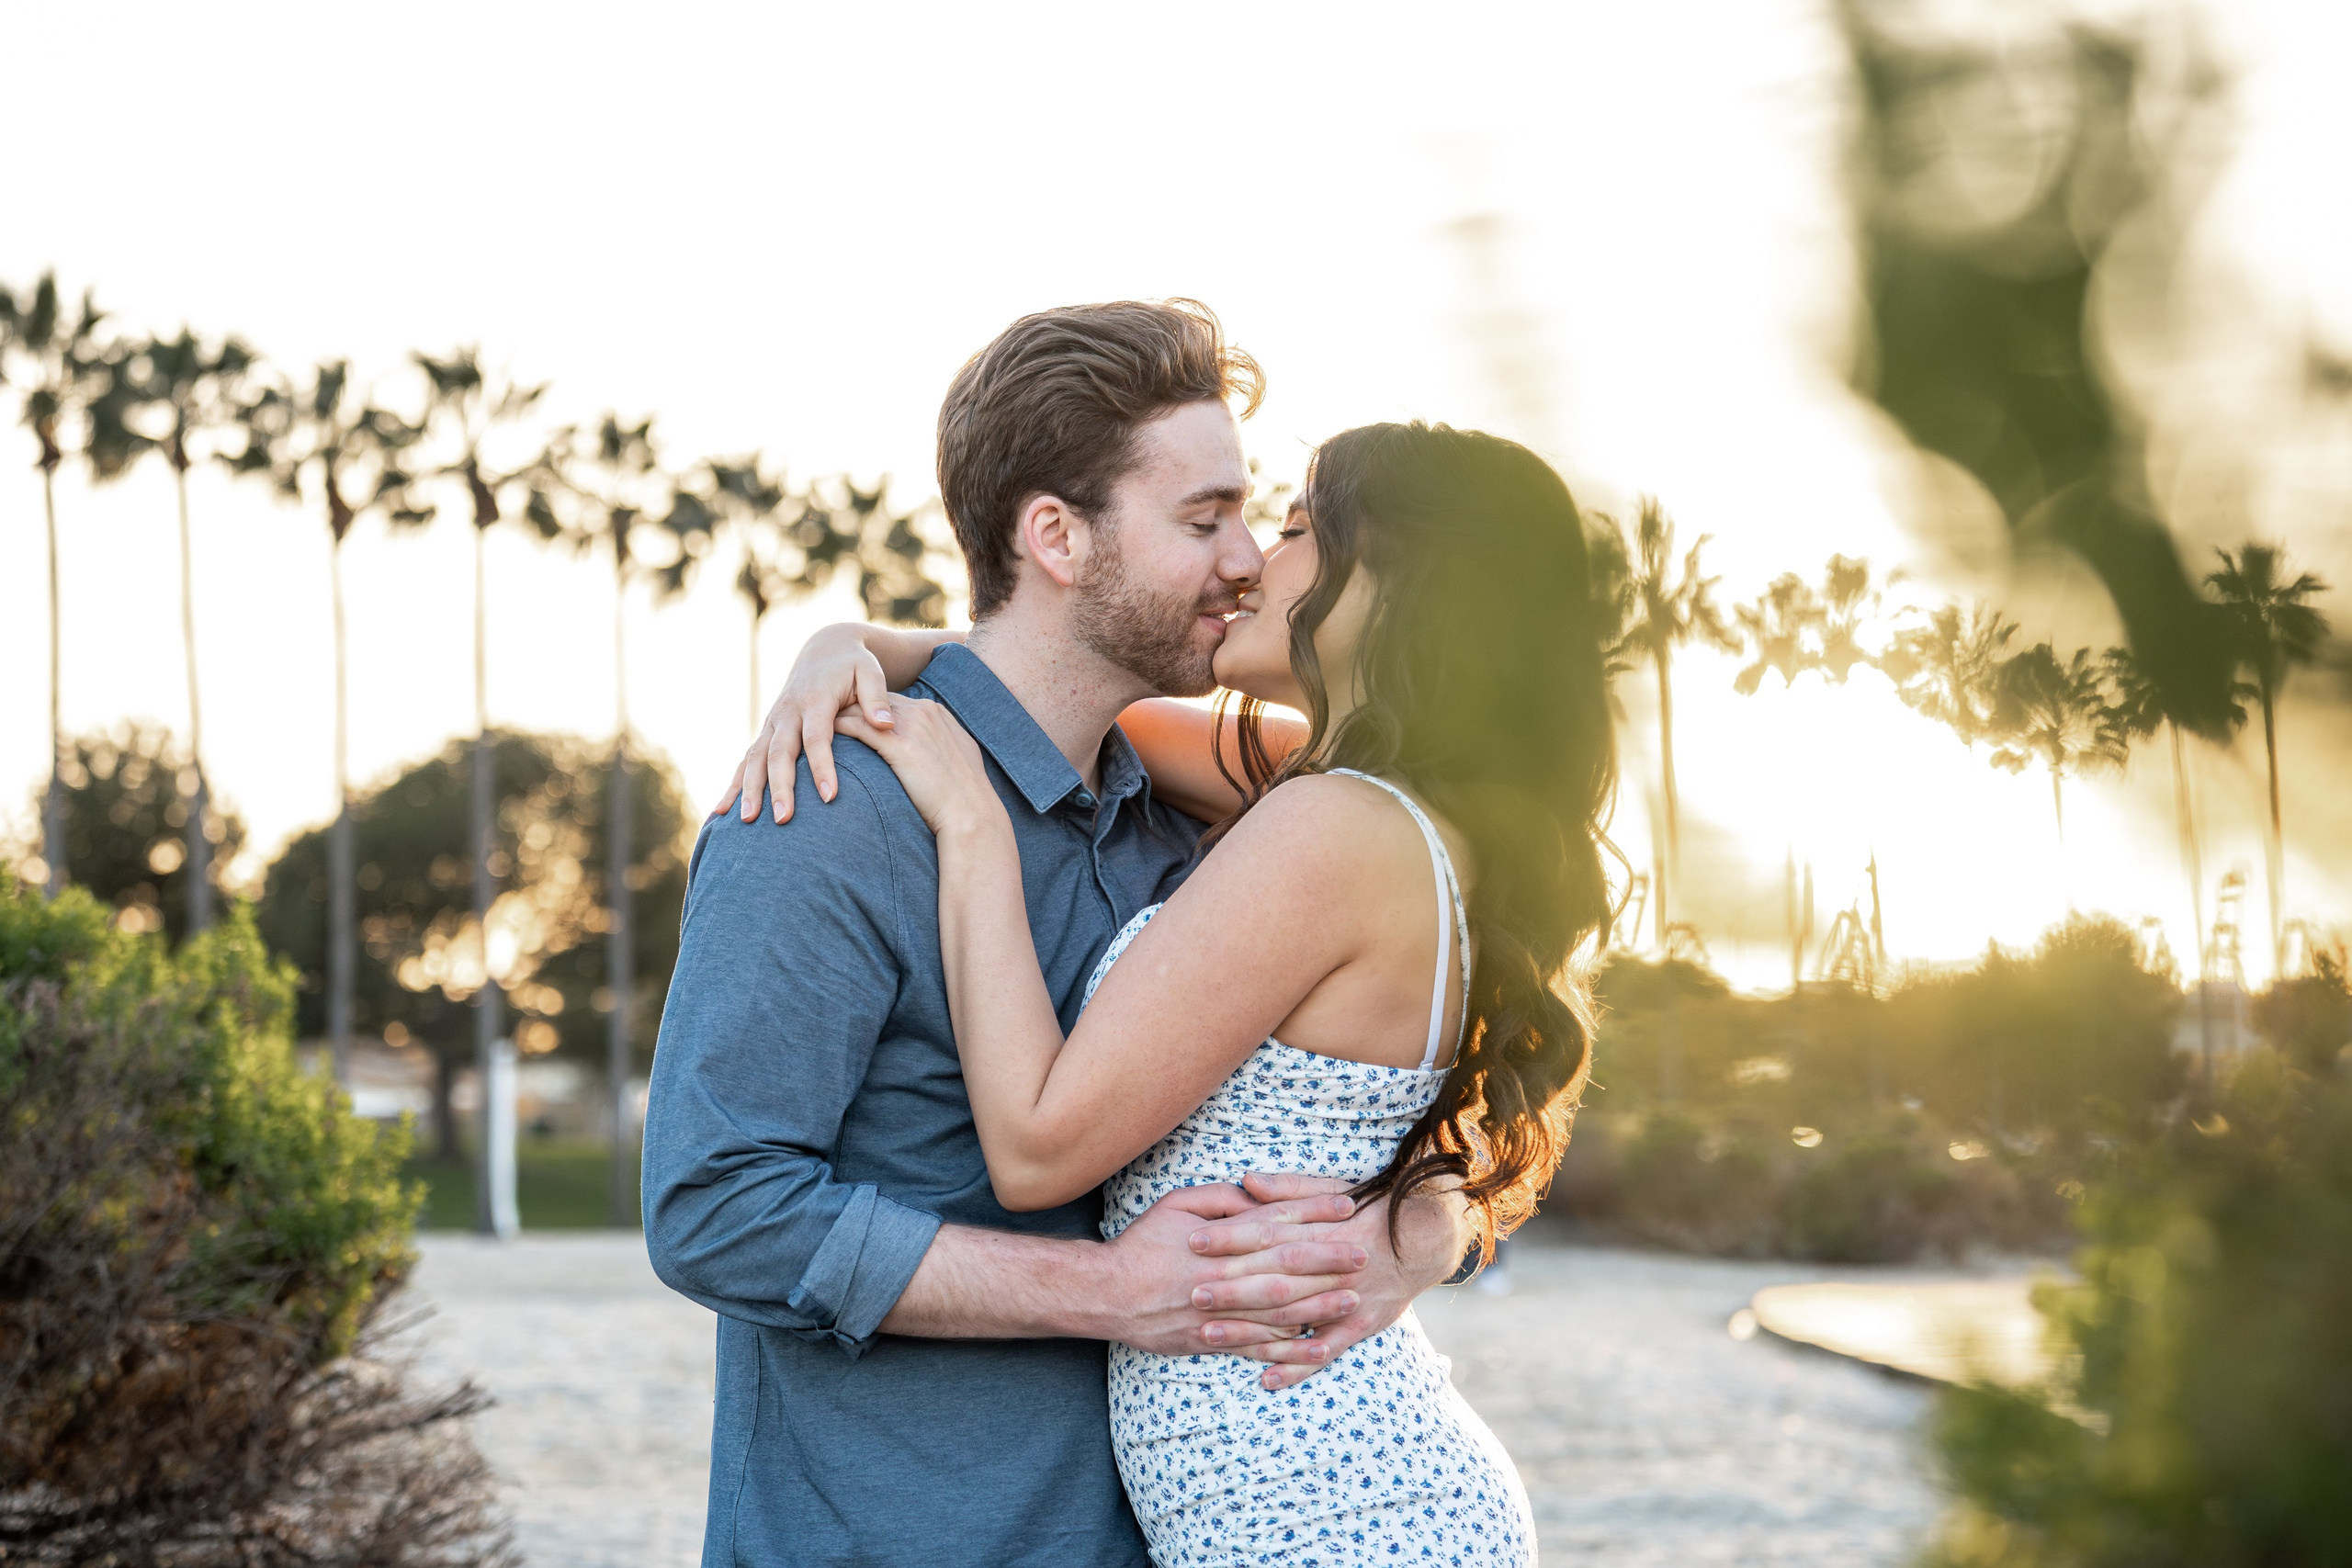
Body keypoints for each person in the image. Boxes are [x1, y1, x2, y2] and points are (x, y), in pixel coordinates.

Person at [641, 301, 1477, 1568]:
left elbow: (1407, 1084)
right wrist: (1112, 1290)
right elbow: (713, 1205)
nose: (1249, 559)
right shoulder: (831, 805)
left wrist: (1412, 1234)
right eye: (1204, 521)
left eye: (1255, 519)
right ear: (1057, 537)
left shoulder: (1204, 828)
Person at [757, 420, 1617, 1562]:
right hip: (1326, 1492)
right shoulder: (1349, 792)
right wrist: (849, 641)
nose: (1259, 558)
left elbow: (1034, 1144)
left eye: (1304, 529)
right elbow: (1063, 708)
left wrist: (969, 822)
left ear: (1404, 580)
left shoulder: (1333, 830)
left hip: (1331, 1516)